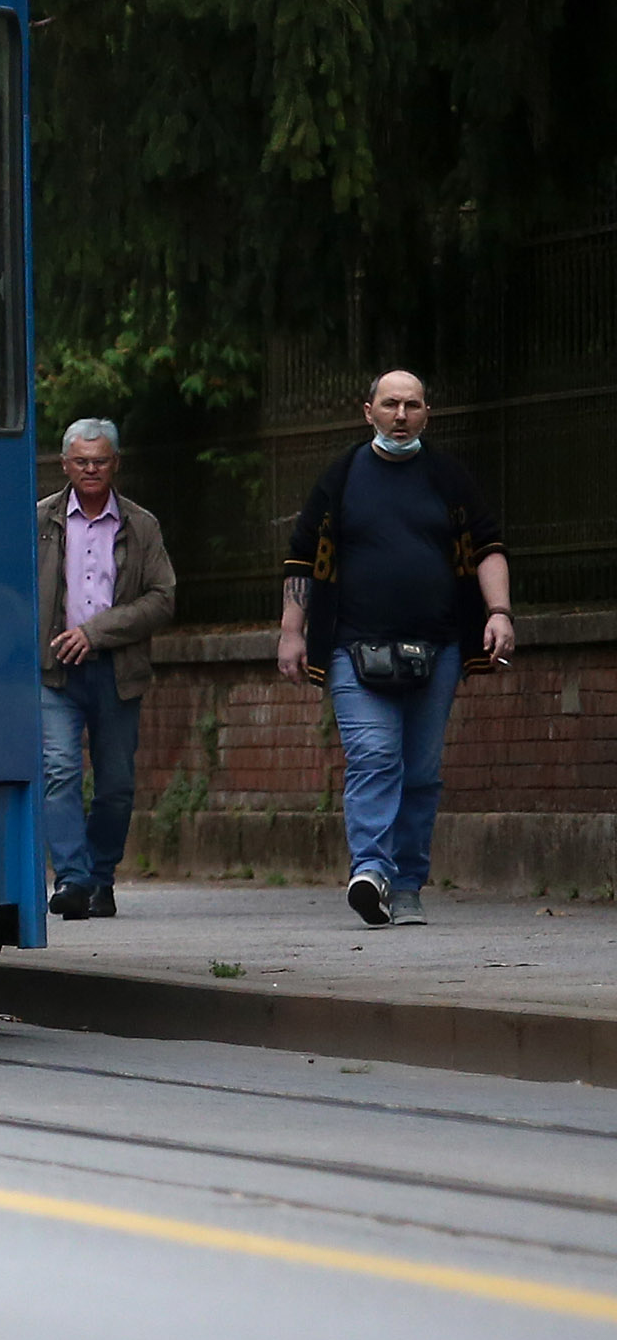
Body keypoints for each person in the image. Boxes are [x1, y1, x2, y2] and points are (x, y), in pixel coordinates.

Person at [279, 369, 513, 926]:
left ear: (427, 414)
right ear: (369, 412)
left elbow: (488, 547)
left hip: (438, 648)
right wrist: (292, 631)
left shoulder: (448, 477)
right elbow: (303, 557)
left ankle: (406, 882)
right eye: (390, 405)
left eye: (412, 405)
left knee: (421, 771)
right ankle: (370, 870)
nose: (401, 415)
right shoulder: (341, 477)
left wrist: (499, 613)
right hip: (352, 647)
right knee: (374, 756)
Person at [36, 420, 178, 920]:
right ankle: (72, 880)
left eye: (100, 461)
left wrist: (95, 632)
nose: (90, 469)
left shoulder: (141, 526)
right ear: (64, 465)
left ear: (116, 463)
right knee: (59, 772)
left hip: (117, 671)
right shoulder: (40, 522)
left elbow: (163, 599)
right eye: (81, 461)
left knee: (116, 785)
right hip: (54, 673)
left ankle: (101, 877)